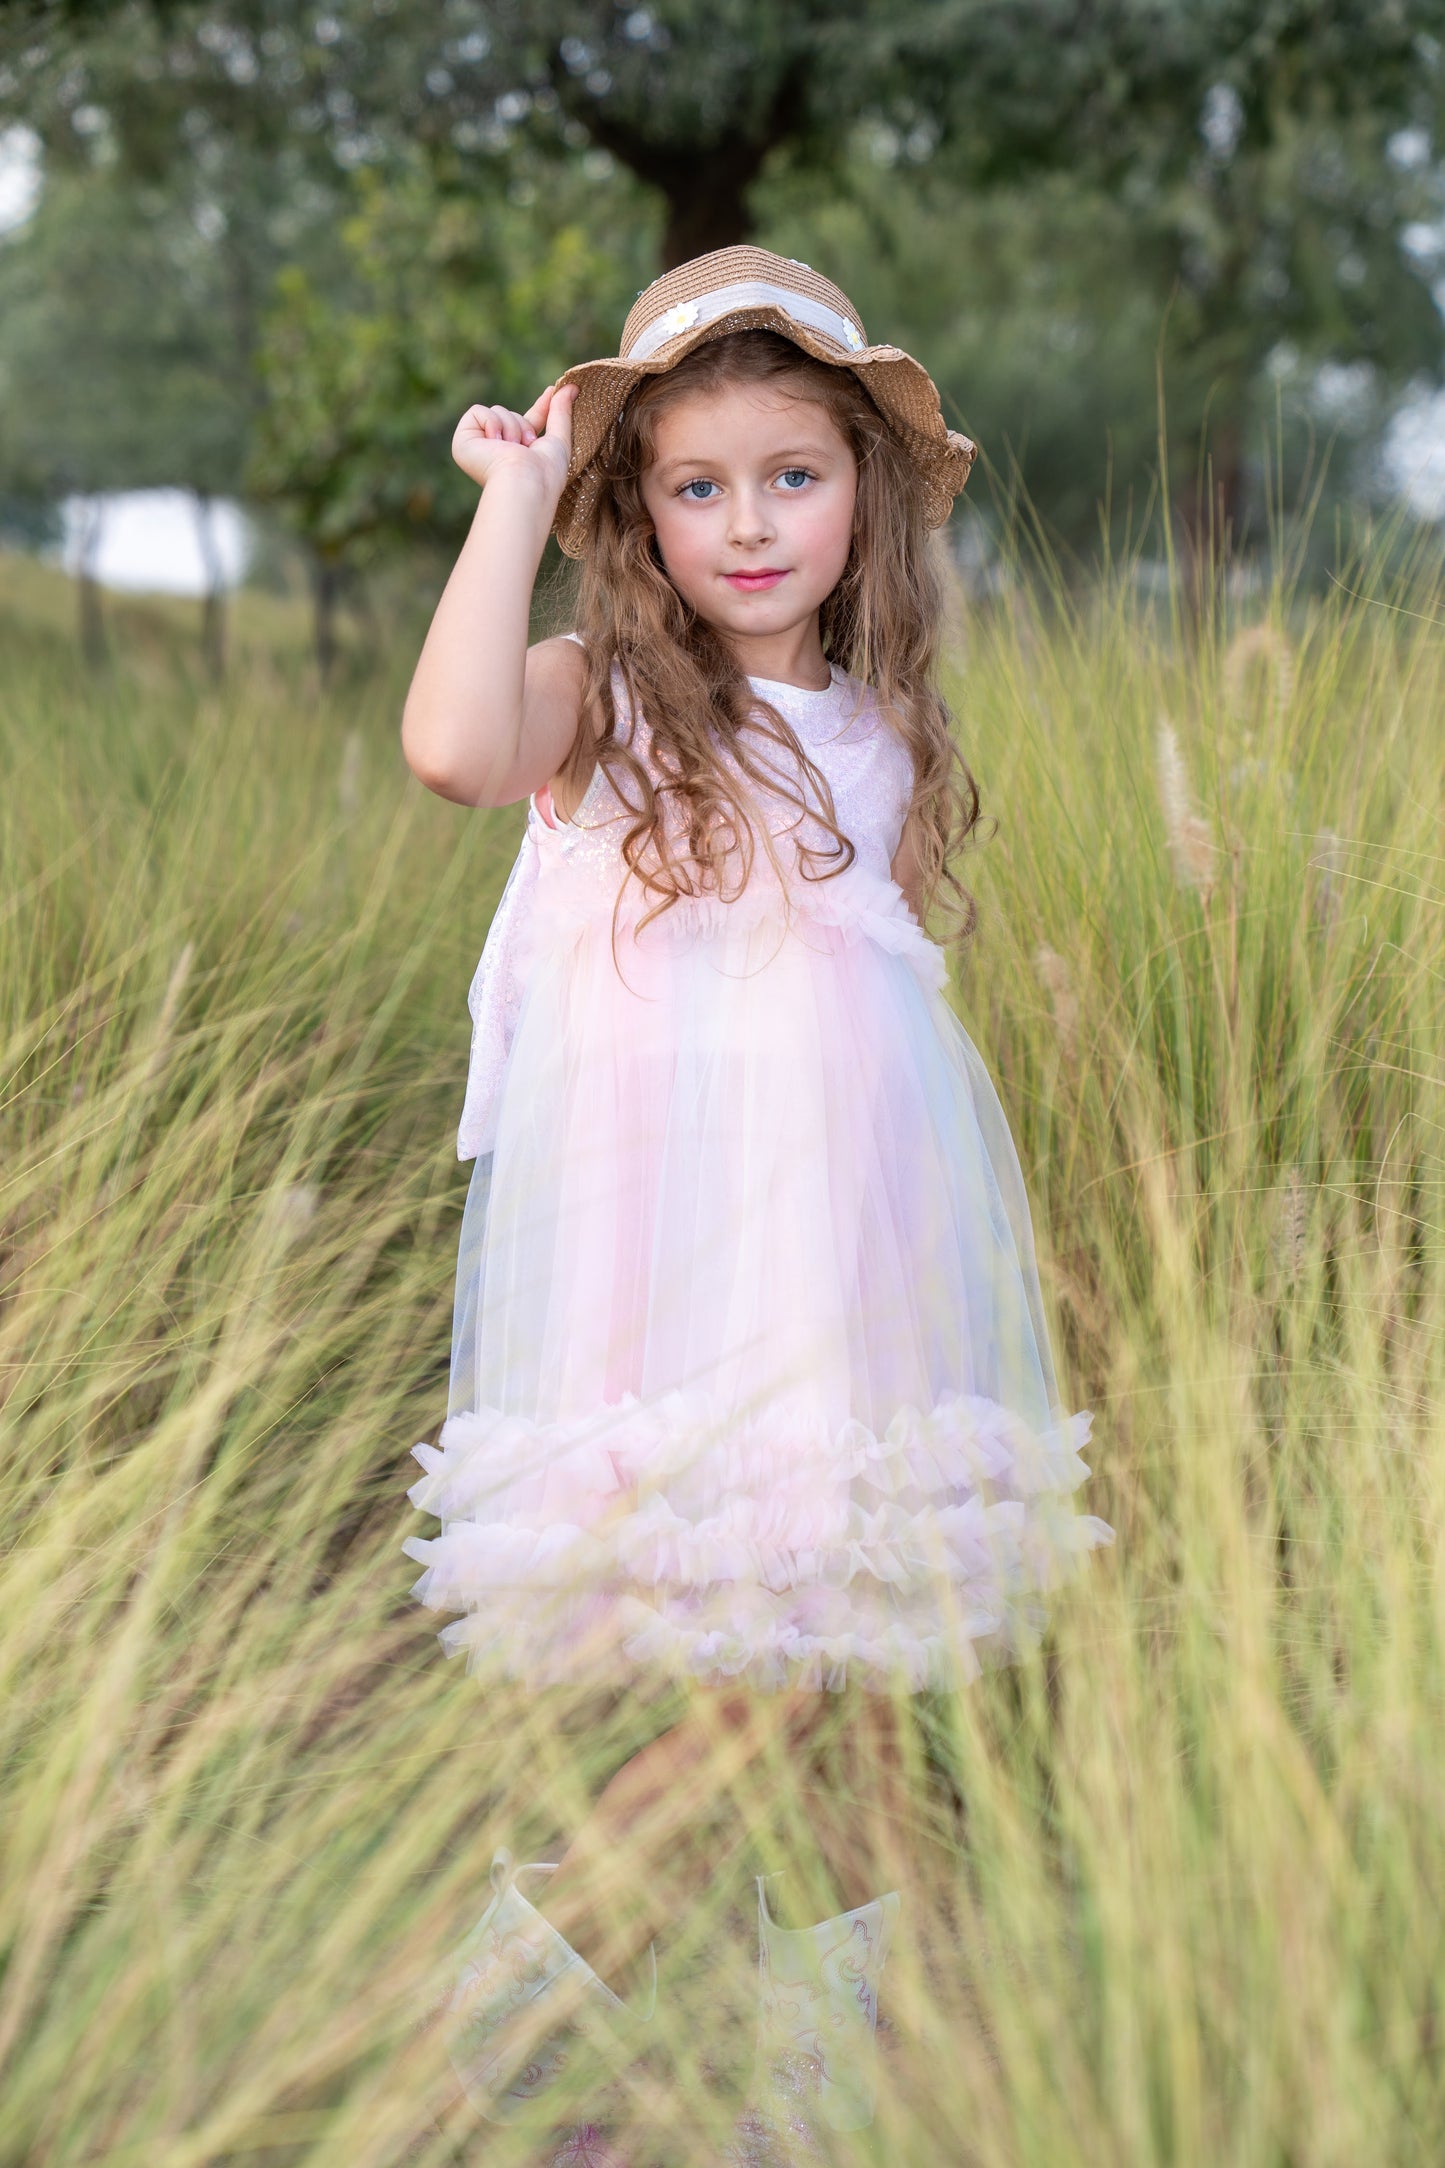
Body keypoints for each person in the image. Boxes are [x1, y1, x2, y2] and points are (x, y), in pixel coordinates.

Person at [399, 245, 1115, 2162]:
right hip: (660, 1255)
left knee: (851, 1678)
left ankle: (816, 2074)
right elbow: (454, 749)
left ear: (863, 490)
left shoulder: (880, 730)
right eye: (695, 484)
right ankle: (520, 2010)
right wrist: (518, 504)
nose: (746, 523)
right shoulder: (598, 696)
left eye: (790, 474)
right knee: (725, 1683)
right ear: (637, 509)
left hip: (855, 1241)